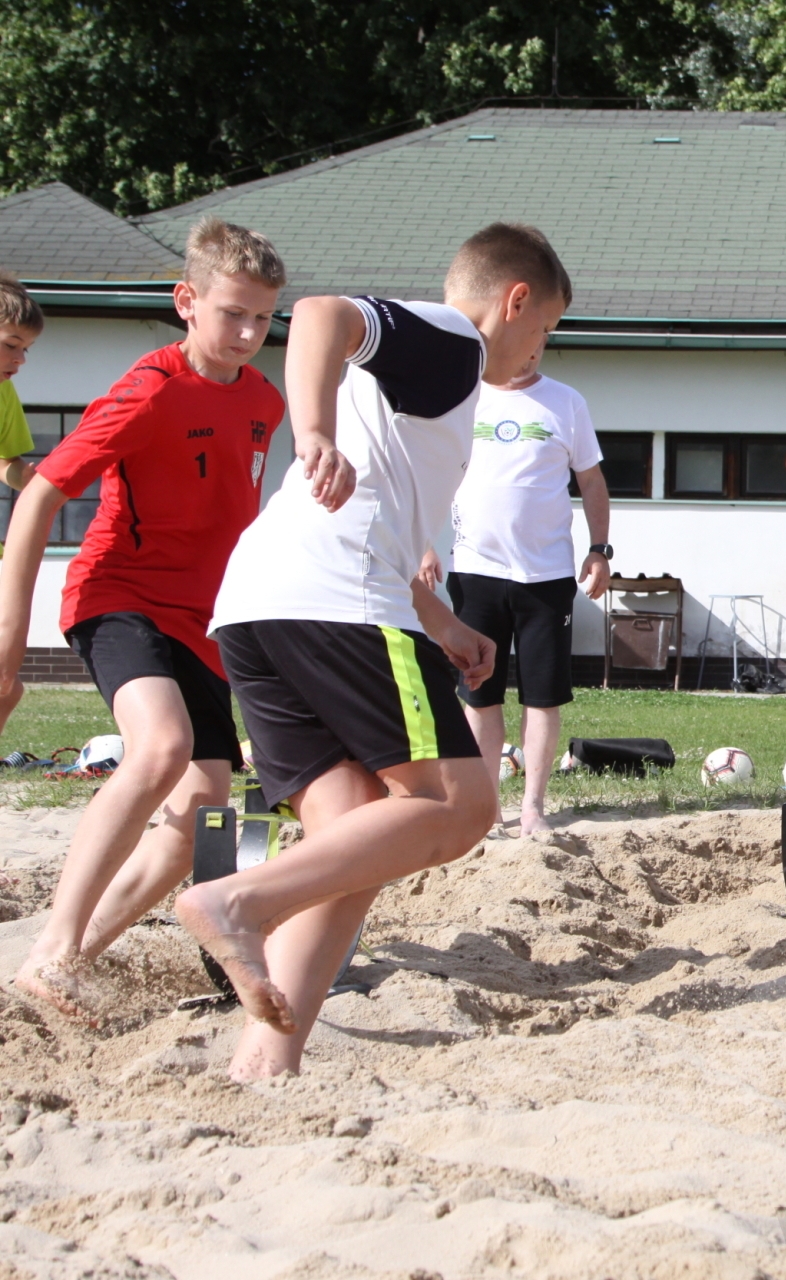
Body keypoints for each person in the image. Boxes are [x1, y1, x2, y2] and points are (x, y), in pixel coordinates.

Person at [178, 222, 570, 1080]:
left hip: (260, 605)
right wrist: (313, 432)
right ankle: (236, 899)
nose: (539, 351)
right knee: (460, 806)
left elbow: (377, 519)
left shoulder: (422, 379)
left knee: (357, 837)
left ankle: (265, 1063)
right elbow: (321, 313)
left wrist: (443, 622)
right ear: (514, 302)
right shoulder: (457, 341)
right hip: (339, 606)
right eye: (544, 329)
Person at [0, 218, 286, 1018]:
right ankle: (53, 946)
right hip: (118, 597)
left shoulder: (265, 401)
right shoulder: (150, 389)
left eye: (263, 318)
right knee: (160, 748)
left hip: (206, 622)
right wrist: (9, 649)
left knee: (206, 813)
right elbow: (39, 497)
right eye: (232, 313)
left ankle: (68, 962)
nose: (248, 333)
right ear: (186, 301)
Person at [418, 345, 611, 837]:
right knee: (479, 694)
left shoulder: (566, 402)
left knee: (542, 697)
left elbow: (591, 481)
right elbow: (430, 473)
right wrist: (424, 542)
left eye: (538, 342)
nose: (528, 352)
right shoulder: (464, 399)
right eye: (519, 342)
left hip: (546, 576)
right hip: (475, 571)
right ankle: (485, 810)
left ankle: (532, 807)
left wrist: (599, 550)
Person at [0, 276, 47, 736]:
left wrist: (30, 479)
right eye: (11, 345)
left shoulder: (3, 395)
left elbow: (6, 463)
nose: (20, 360)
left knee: (6, 687)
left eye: (25, 349)